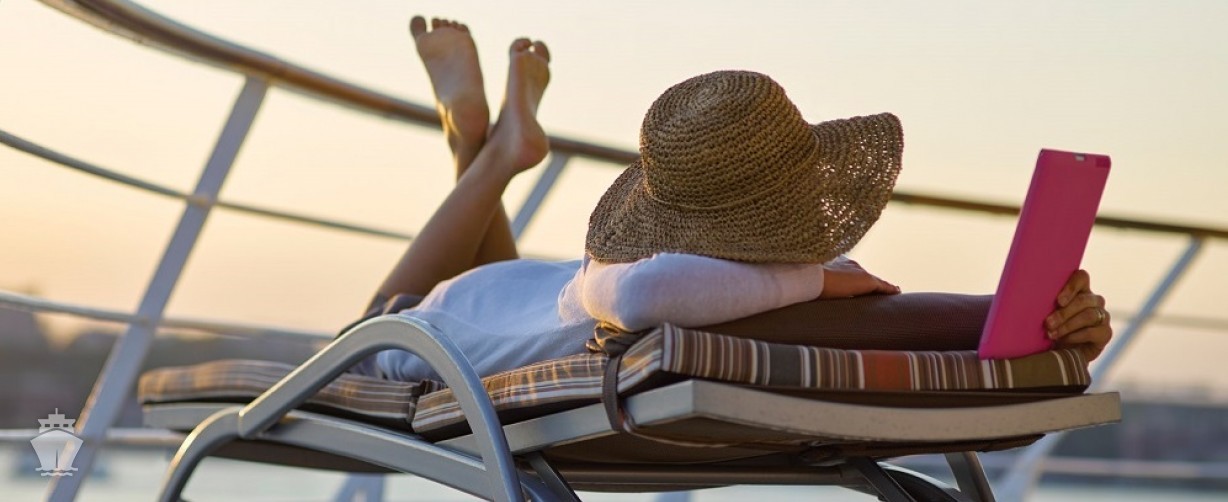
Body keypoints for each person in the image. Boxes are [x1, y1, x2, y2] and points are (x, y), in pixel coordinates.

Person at [350, 17, 1113, 382]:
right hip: (455, 323)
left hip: (491, 311)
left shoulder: (666, 280)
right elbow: (643, 293)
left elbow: (647, 292)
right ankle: (483, 154)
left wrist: (1060, 323)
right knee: (389, 321)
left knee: (408, 310)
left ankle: (486, 151)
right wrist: (822, 279)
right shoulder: (650, 284)